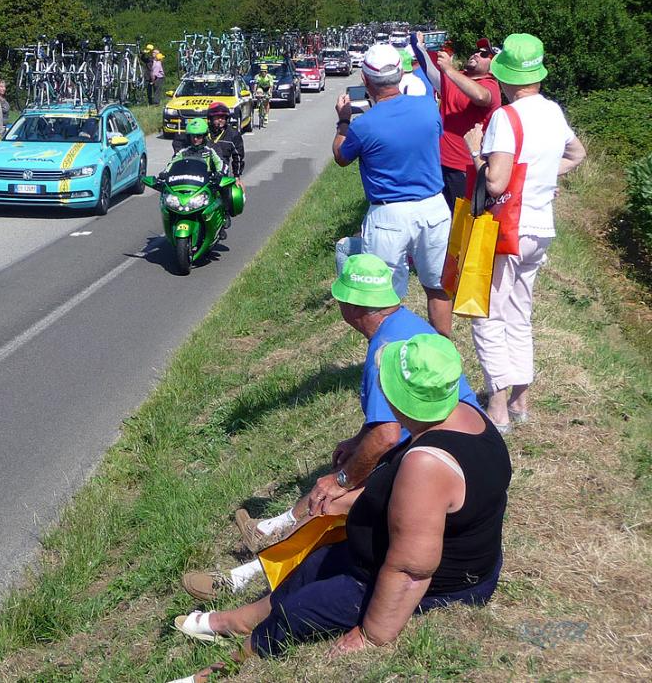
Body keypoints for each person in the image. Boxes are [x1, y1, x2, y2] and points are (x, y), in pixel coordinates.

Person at [170, 334, 510, 676]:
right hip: (385, 554)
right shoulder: (464, 413)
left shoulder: (428, 464)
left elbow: (411, 570)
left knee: (299, 611)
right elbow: (417, 503)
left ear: (401, 401)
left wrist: (372, 634)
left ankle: (222, 668)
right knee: (312, 566)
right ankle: (239, 620)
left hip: (446, 583)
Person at [181, 255, 480, 601]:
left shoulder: (385, 349)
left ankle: (246, 577)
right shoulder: (404, 326)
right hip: (452, 445)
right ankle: (273, 530)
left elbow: (385, 437)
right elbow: (392, 424)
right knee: (347, 470)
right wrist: (357, 443)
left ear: (353, 307)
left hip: (442, 462)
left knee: (331, 500)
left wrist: (342, 481)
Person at [464, 33, 586, 431]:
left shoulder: (505, 117)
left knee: (487, 314)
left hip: (506, 231)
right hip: (540, 227)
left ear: (505, 77)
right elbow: (576, 154)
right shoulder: (552, 111)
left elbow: (496, 183)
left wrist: (476, 153)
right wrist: (540, 177)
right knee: (520, 312)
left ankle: (497, 408)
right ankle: (521, 400)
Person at [333, 43, 453, 337]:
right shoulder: (427, 108)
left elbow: (341, 156)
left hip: (389, 214)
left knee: (382, 295)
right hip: (434, 206)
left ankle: (390, 353)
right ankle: (443, 348)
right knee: (438, 286)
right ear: (400, 74)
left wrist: (343, 120)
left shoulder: (364, 126)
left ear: (365, 80)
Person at [416, 36, 502, 210]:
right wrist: (419, 47)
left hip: (464, 168)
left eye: (485, 54)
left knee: (460, 223)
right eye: (477, 50)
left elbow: (481, 97)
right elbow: (431, 72)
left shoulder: (490, 84)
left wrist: (449, 69)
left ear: (494, 68)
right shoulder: (459, 76)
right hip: (437, 162)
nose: (476, 54)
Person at [203, 103, 245, 178]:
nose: (220, 120)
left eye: (223, 117)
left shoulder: (233, 134)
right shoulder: (202, 132)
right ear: (210, 119)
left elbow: (238, 157)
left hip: (222, 173)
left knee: (238, 189)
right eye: (217, 117)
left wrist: (237, 176)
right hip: (201, 172)